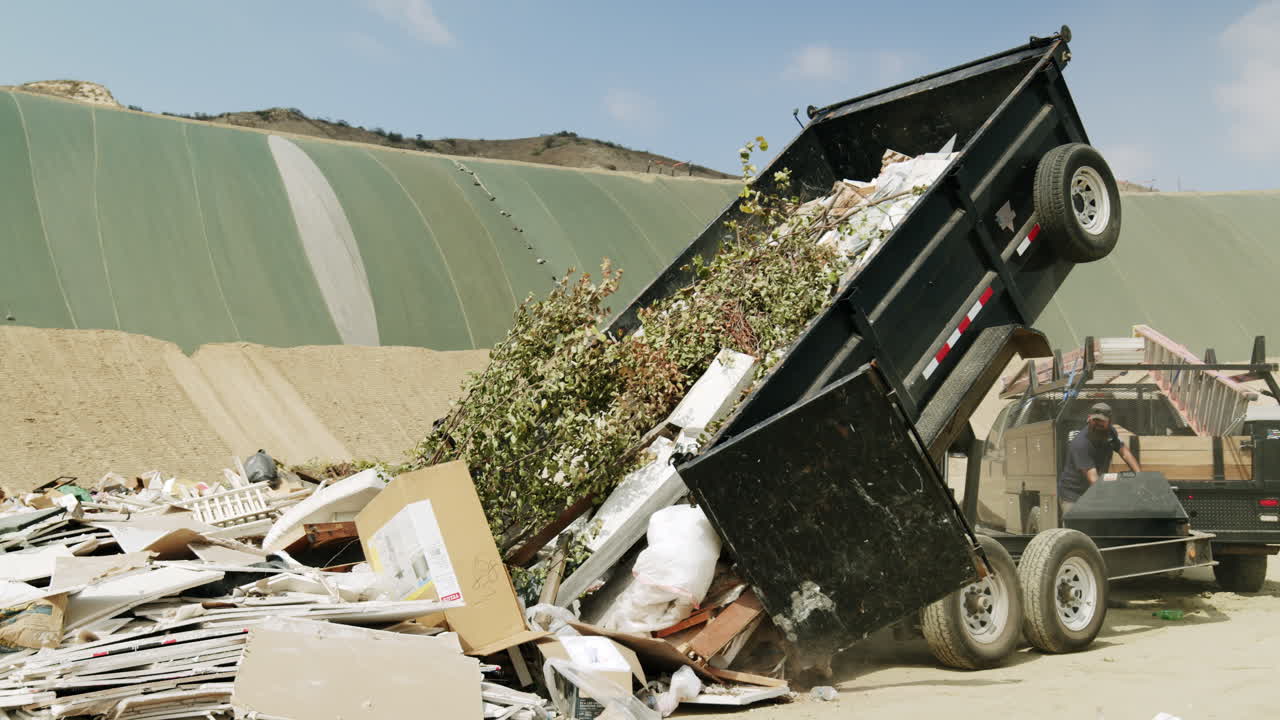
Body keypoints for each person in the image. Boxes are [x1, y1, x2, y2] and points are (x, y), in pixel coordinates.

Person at [1058, 402, 1141, 517]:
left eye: (1101, 421)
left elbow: (1124, 452)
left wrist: (1140, 475)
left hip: (1093, 491)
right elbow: (1093, 479)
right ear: (1089, 419)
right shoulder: (1081, 444)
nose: (1097, 424)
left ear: (1109, 421)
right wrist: (1115, 496)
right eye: (1094, 420)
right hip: (1073, 495)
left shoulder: (1110, 433)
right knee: (1076, 529)